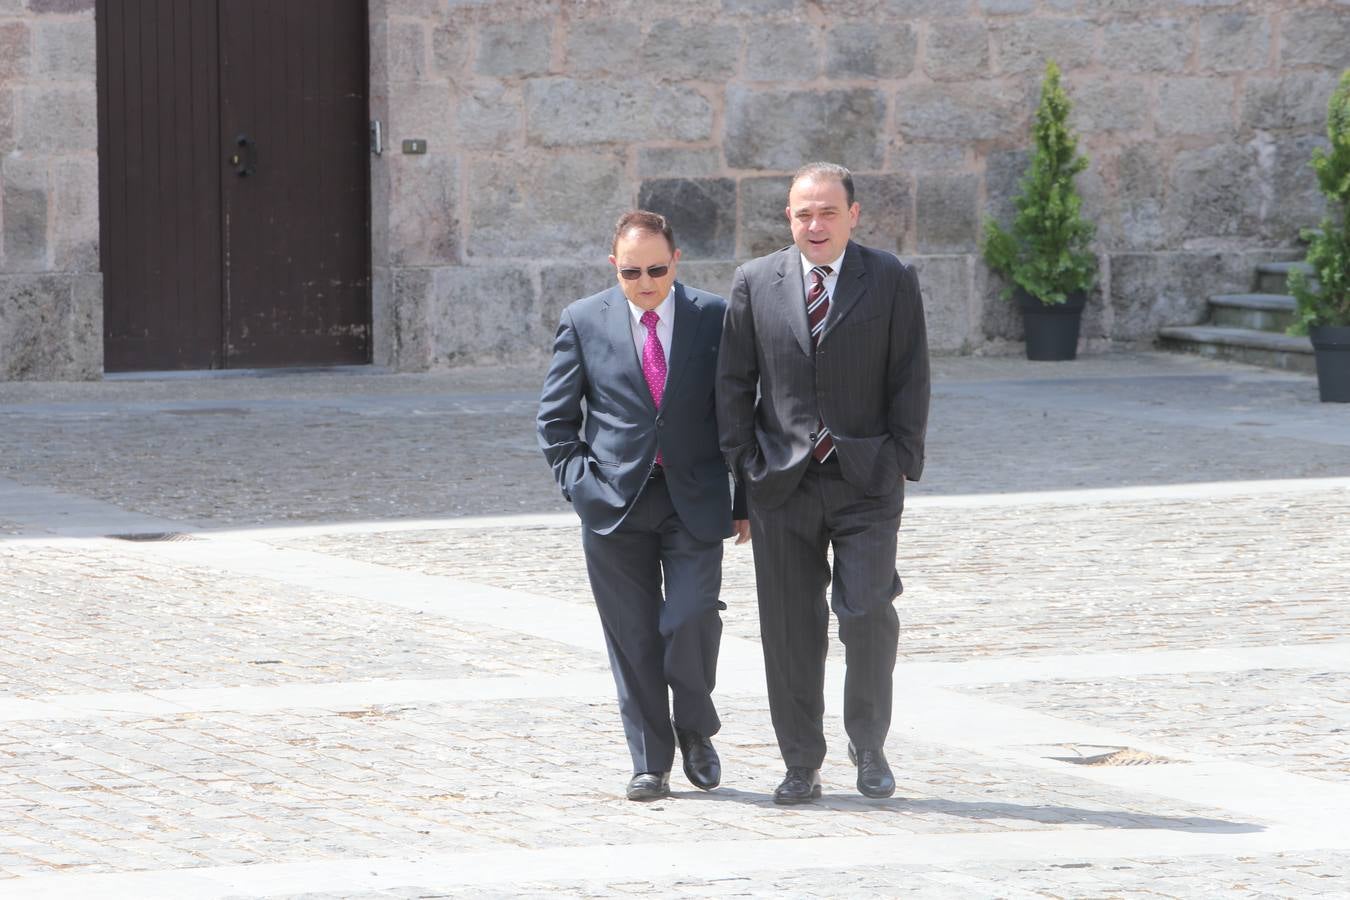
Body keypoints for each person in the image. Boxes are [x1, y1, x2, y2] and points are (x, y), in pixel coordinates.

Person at [716, 162, 930, 804]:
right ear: (789, 216)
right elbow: (732, 384)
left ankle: (869, 745)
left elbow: (910, 376)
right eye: (804, 213)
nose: (815, 224)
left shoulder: (890, 278)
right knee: (789, 628)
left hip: (866, 479)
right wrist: (746, 472)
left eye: (828, 212)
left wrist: (899, 461)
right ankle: (801, 762)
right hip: (781, 483)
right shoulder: (756, 282)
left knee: (866, 612)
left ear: (853, 215)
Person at [538, 210, 749, 801]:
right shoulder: (583, 321)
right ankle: (650, 762)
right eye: (632, 272)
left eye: (657, 269)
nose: (646, 282)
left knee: (689, 617)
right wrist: (581, 485)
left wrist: (746, 496)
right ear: (614, 267)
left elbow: (741, 411)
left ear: (676, 260)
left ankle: (695, 726)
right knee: (632, 637)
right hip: (613, 503)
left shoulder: (715, 317)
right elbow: (555, 420)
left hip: (696, 499)